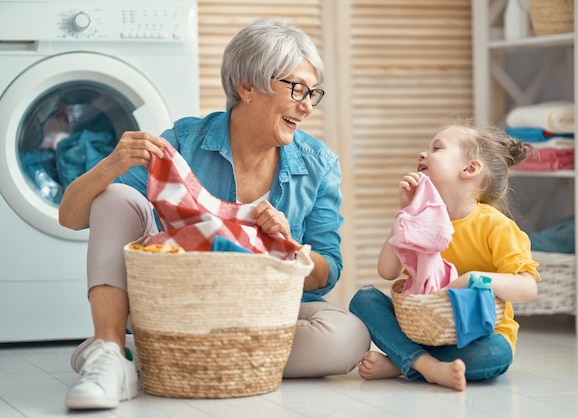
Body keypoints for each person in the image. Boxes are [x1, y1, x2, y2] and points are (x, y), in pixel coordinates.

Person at [59, 17, 371, 410]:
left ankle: (150, 358)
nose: (307, 105)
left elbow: (330, 270)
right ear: (247, 86)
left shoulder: (319, 165)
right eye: (296, 88)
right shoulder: (185, 144)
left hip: (261, 309)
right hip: (179, 304)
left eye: (313, 93)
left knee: (348, 335)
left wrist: (292, 247)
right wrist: (110, 167)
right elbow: (71, 217)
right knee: (116, 195)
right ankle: (108, 348)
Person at [349, 120, 541, 391]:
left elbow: (527, 288)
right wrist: (405, 214)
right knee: (364, 299)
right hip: (422, 329)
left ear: (470, 168)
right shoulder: (422, 220)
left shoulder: (496, 226)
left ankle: (406, 363)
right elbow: (387, 272)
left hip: (477, 336)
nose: (423, 154)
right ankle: (426, 365)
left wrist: (474, 279)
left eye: (436, 148)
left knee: (496, 354)